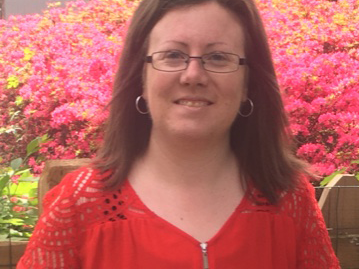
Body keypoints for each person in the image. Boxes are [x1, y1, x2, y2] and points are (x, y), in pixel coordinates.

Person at [17, 0, 340, 268]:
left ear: (248, 82)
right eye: (173, 55)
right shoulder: (79, 205)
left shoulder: (289, 200)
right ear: (140, 75)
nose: (193, 75)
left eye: (218, 57)